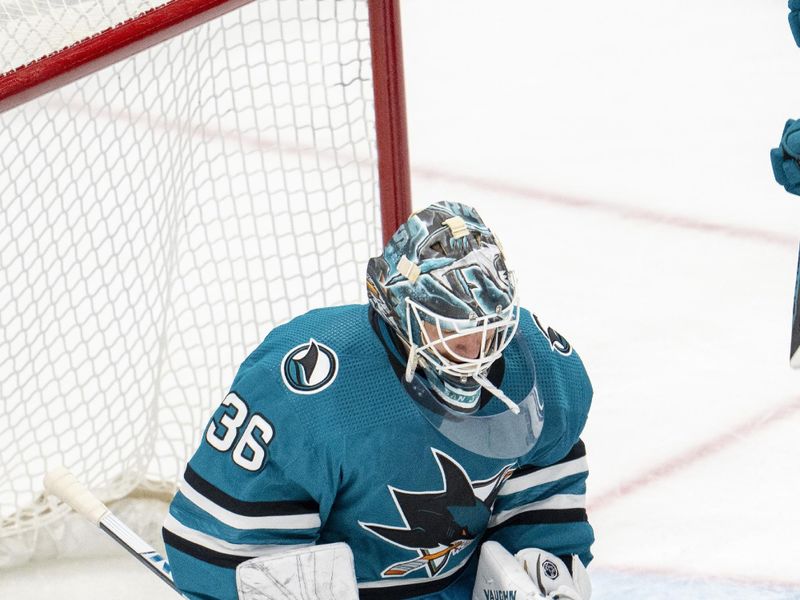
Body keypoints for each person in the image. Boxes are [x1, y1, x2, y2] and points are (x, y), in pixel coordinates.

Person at [162, 201, 595, 600]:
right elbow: (221, 545)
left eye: (488, 327)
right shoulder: (315, 382)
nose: (475, 348)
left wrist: (539, 566)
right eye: (450, 328)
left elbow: (547, 484)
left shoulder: (536, 369)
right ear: (400, 313)